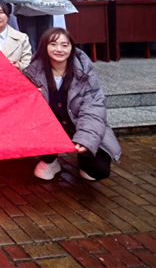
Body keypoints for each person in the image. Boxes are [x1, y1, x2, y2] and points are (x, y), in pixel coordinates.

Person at [24, 28, 121, 181]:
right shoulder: (33, 74)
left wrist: (85, 140)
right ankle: (50, 160)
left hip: (79, 125)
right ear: (45, 47)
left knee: (97, 171)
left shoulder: (86, 75)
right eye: (53, 44)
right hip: (50, 130)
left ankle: (84, 162)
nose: (59, 49)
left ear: (72, 48)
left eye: (65, 45)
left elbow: (94, 111)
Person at [0, 0, 31, 71]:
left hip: (14, 79)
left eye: (1, 12)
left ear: (8, 15)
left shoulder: (22, 38)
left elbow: (28, 66)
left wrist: (19, 66)